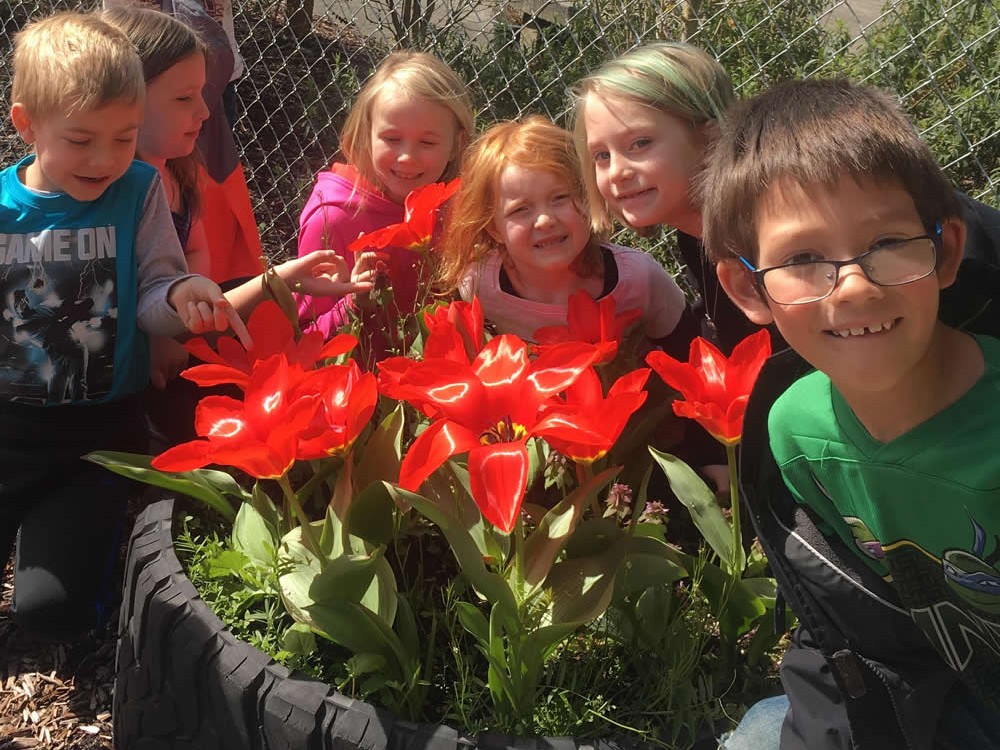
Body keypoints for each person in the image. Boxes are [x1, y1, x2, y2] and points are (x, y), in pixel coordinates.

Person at [703, 77, 1000, 749]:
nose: (855, 286)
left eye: (888, 242)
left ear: (947, 251)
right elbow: (855, 626)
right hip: (943, 690)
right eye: (804, 257)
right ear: (749, 286)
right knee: (758, 733)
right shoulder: (793, 432)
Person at [0, 11, 248, 639]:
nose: (105, 158)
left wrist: (186, 294)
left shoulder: (137, 190)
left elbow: (153, 291)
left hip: (99, 433)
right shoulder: (4, 209)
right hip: (10, 427)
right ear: (26, 122)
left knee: (54, 617)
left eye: (124, 136)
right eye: (81, 139)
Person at [101, 5, 372, 443]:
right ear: (127, 104)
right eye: (184, 98)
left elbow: (197, 256)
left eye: (204, 95)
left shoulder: (181, 167)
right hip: (127, 354)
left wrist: (191, 323)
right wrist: (164, 333)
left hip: (176, 320)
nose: (206, 113)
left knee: (261, 313)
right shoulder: (111, 192)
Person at [436, 115, 699, 358]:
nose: (545, 220)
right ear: (494, 229)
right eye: (520, 210)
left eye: (560, 198)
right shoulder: (480, 285)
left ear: (587, 198)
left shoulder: (639, 279)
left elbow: (692, 354)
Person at [571, 41, 759, 354]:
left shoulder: (756, 242)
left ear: (710, 141)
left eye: (640, 143)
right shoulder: (693, 237)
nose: (617, 172)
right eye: (602, 155)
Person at [296, 50, 474, 362]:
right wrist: (353, 302)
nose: (407, 157)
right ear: (367, 135)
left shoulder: (460, 209)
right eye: (392, 138)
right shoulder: (333, 218)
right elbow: (304, 339)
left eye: (428, 143)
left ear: (456, 144)